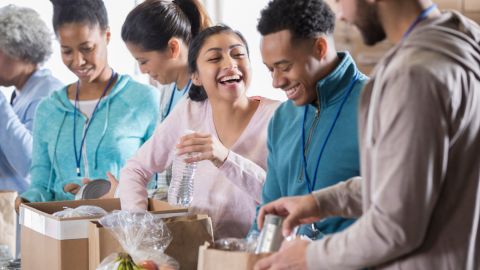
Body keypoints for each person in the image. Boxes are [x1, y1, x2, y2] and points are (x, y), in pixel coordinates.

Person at [254, 0, 480, 269]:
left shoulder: (412, 76)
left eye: (340, 0)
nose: (342, 15)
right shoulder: (460, 44)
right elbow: (406, 185)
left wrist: (308, 257)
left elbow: (395, 226)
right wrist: (321, 202)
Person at [119, 25, 280, 238]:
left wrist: (225, 157)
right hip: (190, 250)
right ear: (195, 76)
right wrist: (138, 226)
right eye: (214, 59)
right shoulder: (190, 111)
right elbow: (135, 170)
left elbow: (284, 197)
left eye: (238, 55)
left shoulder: (278, 117)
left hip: (251, 256)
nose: (230, 63)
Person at [16, 0, 159, 206]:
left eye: (87, 48)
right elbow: (41, 185)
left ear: (107, 36)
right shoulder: (48, 110)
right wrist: (27, 199)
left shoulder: (143, 99)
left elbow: (158, 181)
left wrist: (120, 192)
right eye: (67, 51)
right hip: (64, 232)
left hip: (123, 229)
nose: (78, 61)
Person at [252, 0, 368, 238]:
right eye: (270, 69)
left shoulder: (378, 103)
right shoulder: (282, 118)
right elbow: (270, 215)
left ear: (320, 48)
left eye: (284, 67)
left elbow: (399, 206)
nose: (276, 82)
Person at [121, 0, 212, 191]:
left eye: (144, 61)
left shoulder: (204, 96)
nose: (142, 70)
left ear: (173, 48)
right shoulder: (168, 91)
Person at [0, 5, 63, 194]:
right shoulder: (20, 93)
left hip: (20, 214)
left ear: (22, 52)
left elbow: (32, 163)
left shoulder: (50, 94)